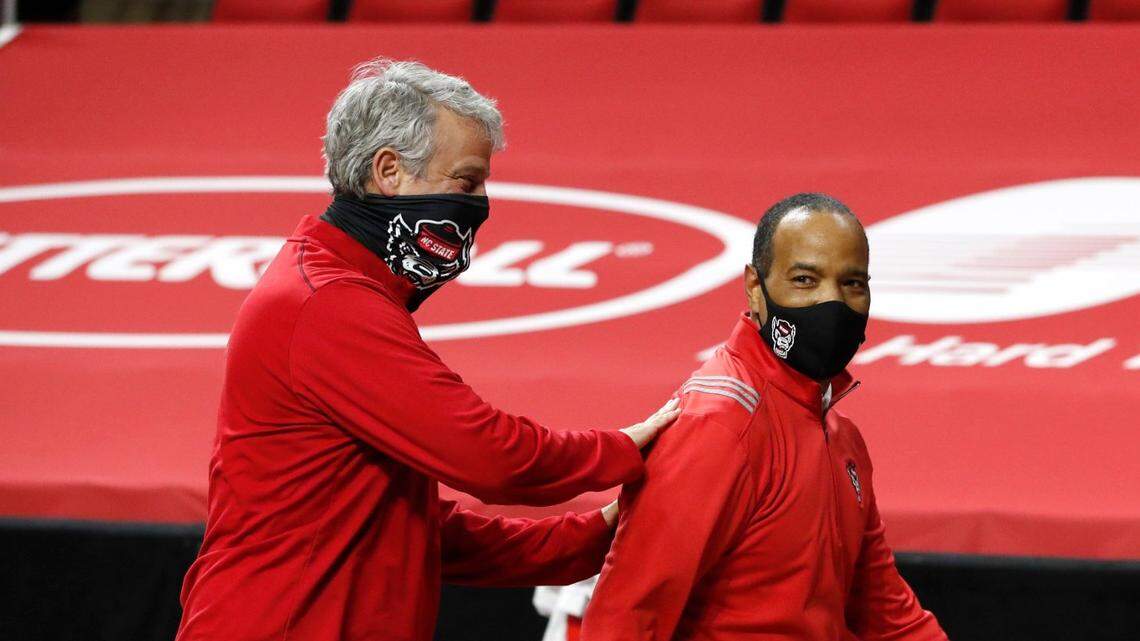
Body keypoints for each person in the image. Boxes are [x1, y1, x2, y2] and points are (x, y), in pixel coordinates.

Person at [175, 59, 679, 641]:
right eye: (466, 183)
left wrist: (599, 533)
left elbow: (416, 530)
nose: (481, 207)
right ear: (389, 171)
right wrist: (623, 448)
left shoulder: (339, 291)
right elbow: (489, 456)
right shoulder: (328, 305)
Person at [581, 193, 947, 640]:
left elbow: (887, 616)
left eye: (852, 284)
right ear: (755, 286)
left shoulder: (838, 434)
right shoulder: (718, 426)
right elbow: (627, 616)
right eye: (805, 280)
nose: (832, 303)